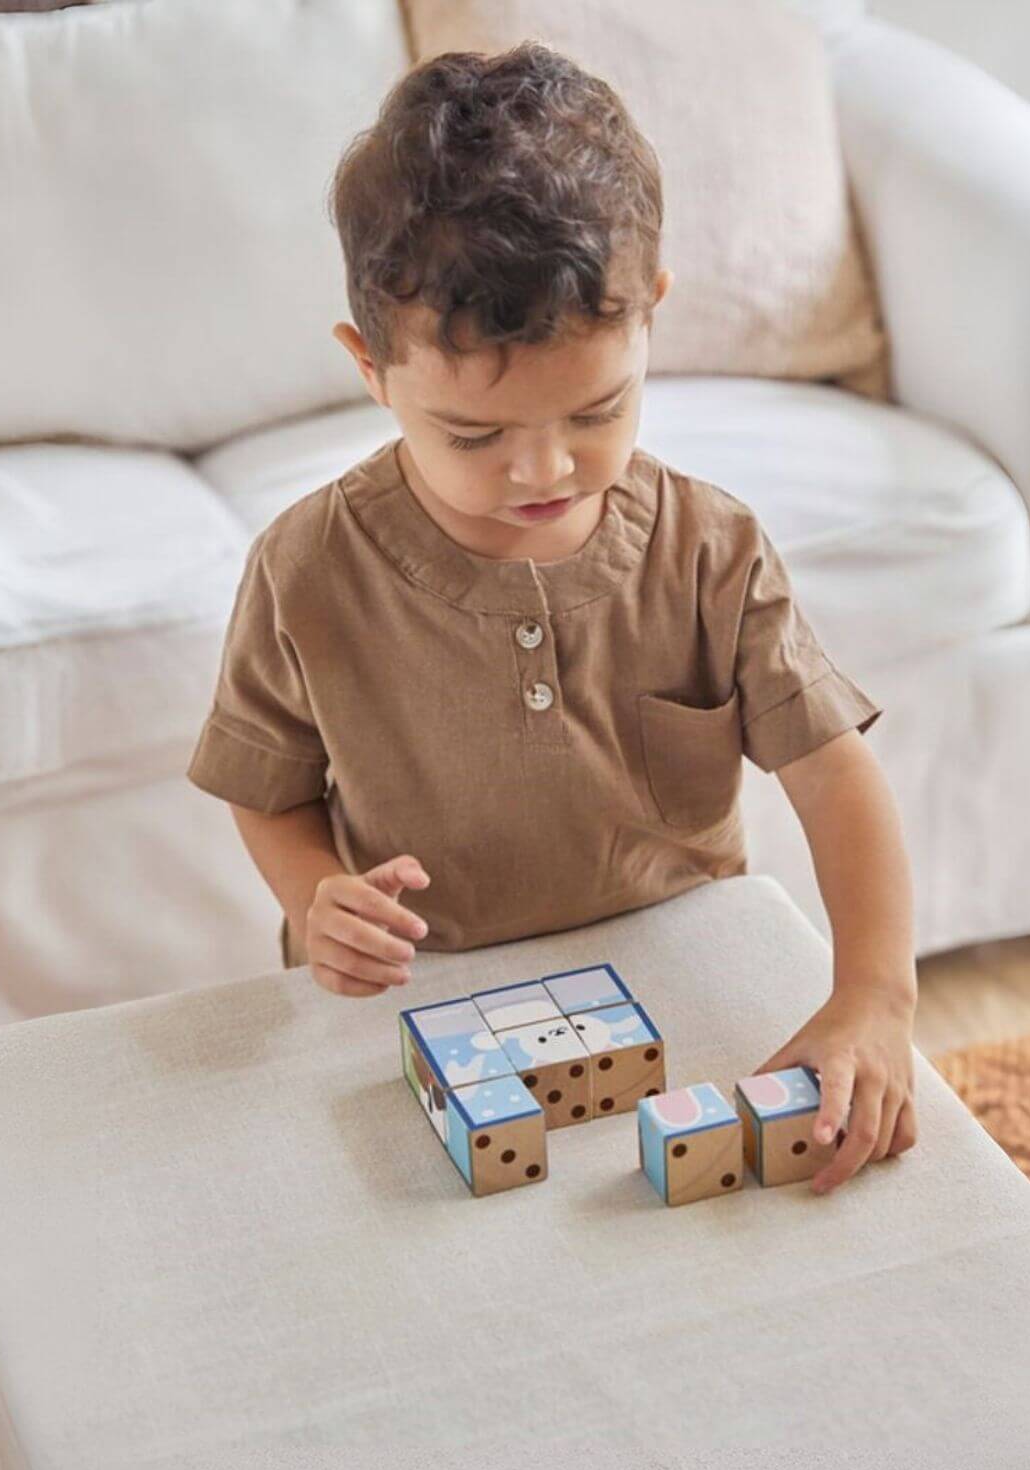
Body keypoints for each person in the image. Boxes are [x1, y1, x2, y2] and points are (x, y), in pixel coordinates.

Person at [187, 42, 918, 1192]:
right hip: (419, 1014)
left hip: (674, 984)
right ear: (371, 371)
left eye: (598, 411)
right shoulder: (308, 568)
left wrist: (873, 996)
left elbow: (834, 777)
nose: (545, 469)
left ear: (651, 322)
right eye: (473, 436)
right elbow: (264, 792)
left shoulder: (710, 550)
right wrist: (310, 897)